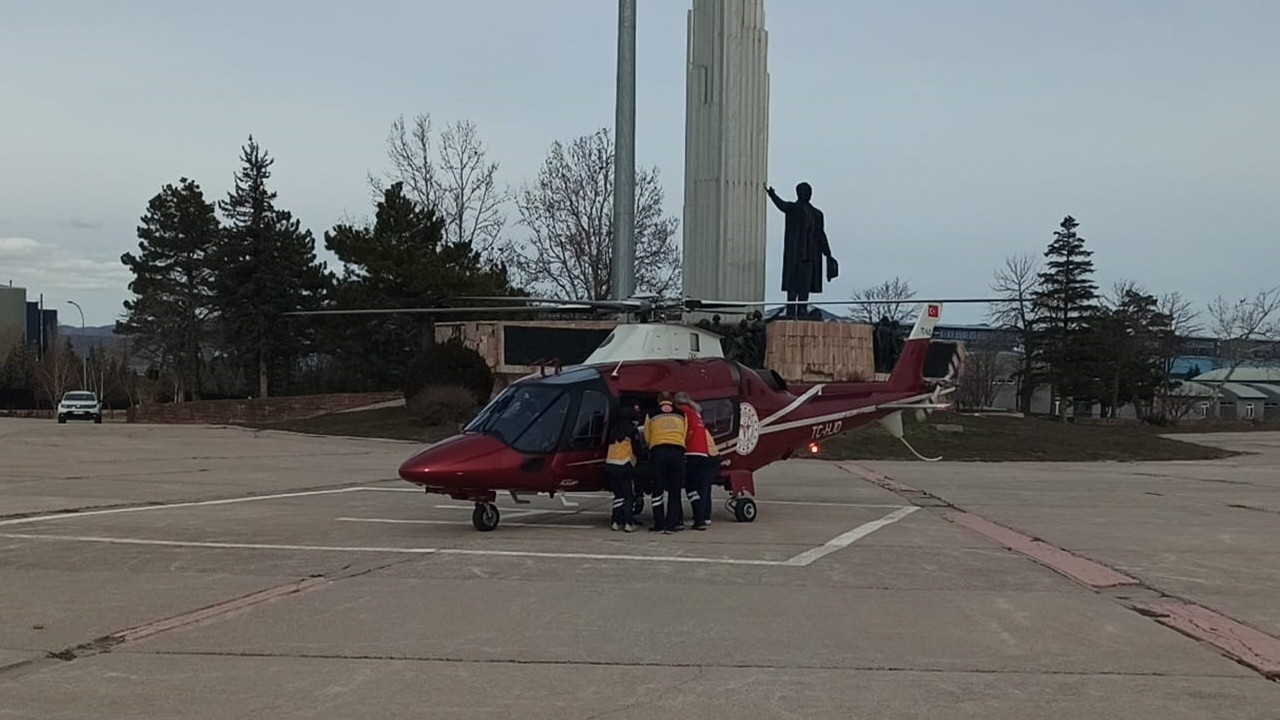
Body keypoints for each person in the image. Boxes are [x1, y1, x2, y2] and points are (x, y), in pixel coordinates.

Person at [765, 182, 837, 318]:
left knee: (805, 285)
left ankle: (802, 310)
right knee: (792, 285)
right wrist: (772, 195)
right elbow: (782, 205)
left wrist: (828, 253)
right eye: (804, 190)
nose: (807, 193)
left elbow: (821, 235)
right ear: (798, 192)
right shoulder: (793, 208)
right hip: (795, 254)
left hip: (810, 255)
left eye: (809, 190)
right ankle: (791, 312)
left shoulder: (817, 214)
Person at [643, 391, 687, 533]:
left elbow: (646, 434)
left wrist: (651, 446)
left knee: (658, 488)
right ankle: (672, 523)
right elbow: (684, 433)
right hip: (677, 452)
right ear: (672, 401)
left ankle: (659, 523)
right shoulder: (681, 414)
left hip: (659, 451)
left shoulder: (651, 414)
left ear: (659, 400)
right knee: (674, 490)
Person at [675, 392, 715, 530]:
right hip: (703, 453)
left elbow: (688, 431)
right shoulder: (696, 412)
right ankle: (702, 516)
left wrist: (681, 444)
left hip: (691, 452)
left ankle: (698, 518)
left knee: (690, 487)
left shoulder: (684, 411)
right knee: (701, 487)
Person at [605, 406, 642, 532]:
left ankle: (615, 522)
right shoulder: (631, 430)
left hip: (610, 464)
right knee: (628, 495)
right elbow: (637, 449)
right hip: (624, 464)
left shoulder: (613, 430)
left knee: (618, 495)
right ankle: (628, 523)